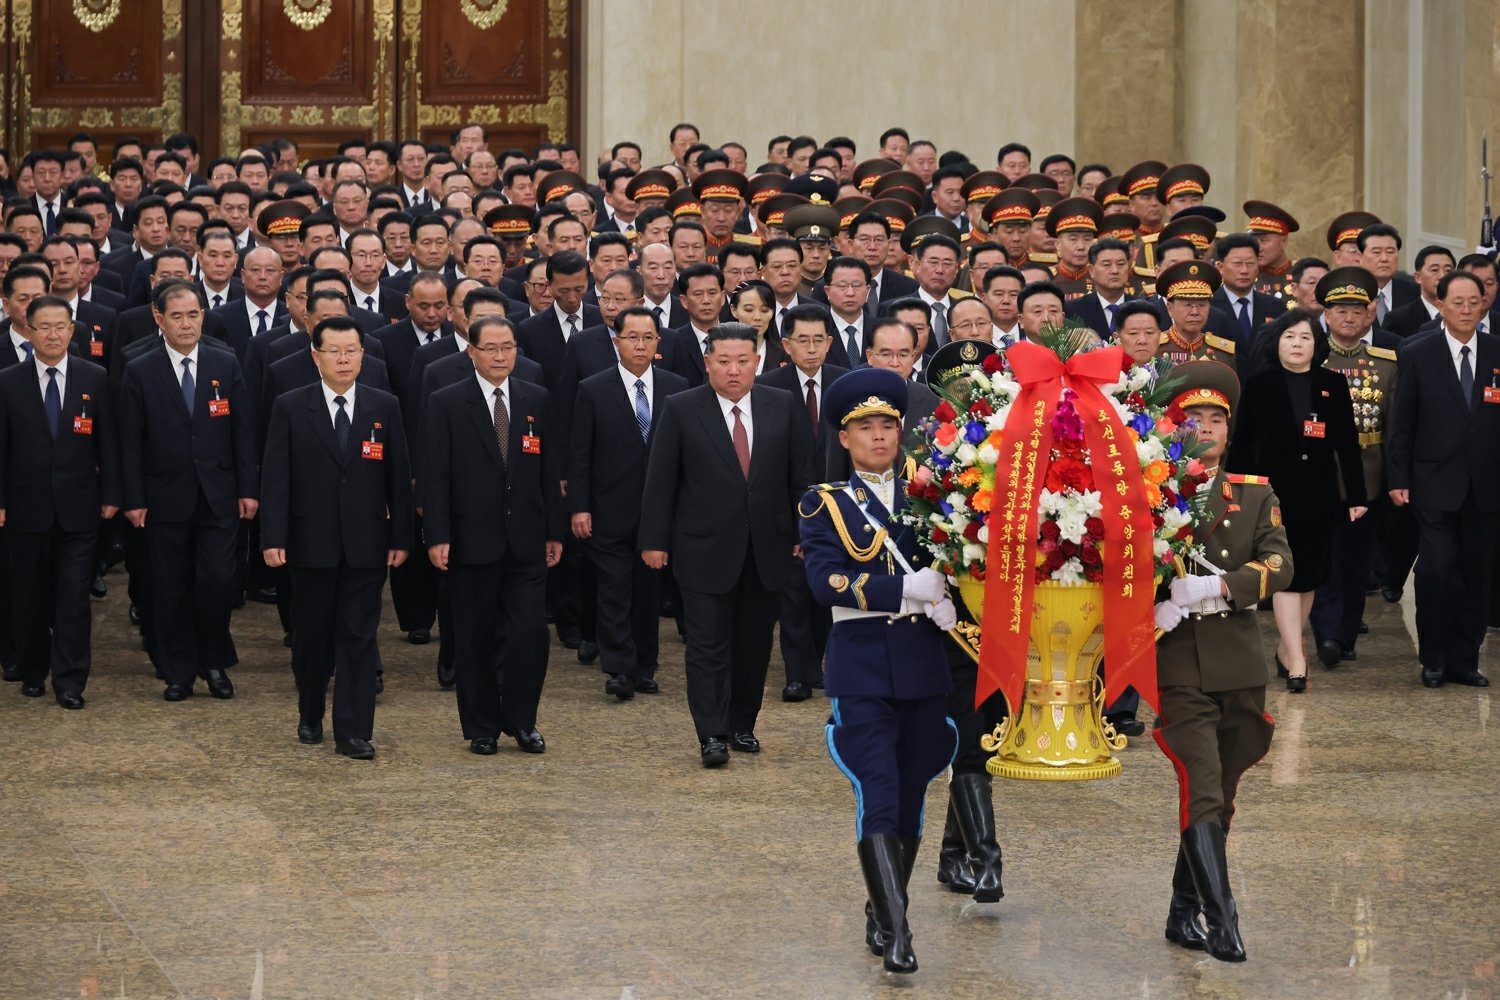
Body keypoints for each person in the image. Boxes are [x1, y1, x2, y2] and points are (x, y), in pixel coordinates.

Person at [797, 367, 958, 974]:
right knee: (878, 790)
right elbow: (827, 581)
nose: (879, 436)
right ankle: (897, 928)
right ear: (844, 437)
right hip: (861, 662)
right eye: (865, 427)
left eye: (888, 425)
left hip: (922, 664)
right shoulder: (825, 502)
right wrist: (907, 590)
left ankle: (883, 904)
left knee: (914, 788)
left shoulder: (936, 497)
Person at [1151, 359, 1292, 963]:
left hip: (1239, 661)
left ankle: (1182, 911)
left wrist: (1216, 587)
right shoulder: (1147, 493)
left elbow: (1282, 564)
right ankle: (1223, 918)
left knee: (1223, 793)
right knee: (1201, 787)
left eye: (1216, 419)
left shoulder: (1255, 494)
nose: (1205, 429)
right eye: (1193, 419)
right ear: (1173, 426)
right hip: (1176, 658)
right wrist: (1153, 604)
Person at [639, 323, 814, 765]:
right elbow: (661, 481)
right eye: (723, 362)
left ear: (757, 362)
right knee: (707, 645)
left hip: (768, 548)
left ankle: (742, 724)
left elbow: (802, 476)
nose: (733, 371)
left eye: (742, 361)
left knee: (754, 645)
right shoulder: (681, 408)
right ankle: (711, 734)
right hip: (702, 549)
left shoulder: (782, 404)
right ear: (708, 363)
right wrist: (654, 540)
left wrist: (803, 533)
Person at [260, 316, 413, 759]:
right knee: (312, 635)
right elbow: (275, 477)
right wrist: (274, 535)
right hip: (310, 543)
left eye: (352, 351)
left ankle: (353, 730)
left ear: (364, 355)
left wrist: (400, 536)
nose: (344, 359)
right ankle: (310, 712)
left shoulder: (383, 406)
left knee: (359, 637)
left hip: (366, 544)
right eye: (335, 351)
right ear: (316, 356)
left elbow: (397, 478)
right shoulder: (291, 405)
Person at [422, 316, 564, 754]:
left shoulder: (536, 398)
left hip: (526, 539)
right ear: (472, 352)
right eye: (491, 348)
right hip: (470, 539)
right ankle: (481, 725)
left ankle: (522, 720)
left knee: (529, 636)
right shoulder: (447, 402)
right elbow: (436, 474)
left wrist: (554, 530)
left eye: (508, 347)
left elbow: (548, 472)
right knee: (474, 636)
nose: (501, 356)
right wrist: (437, 535)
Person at [120, 280, 258, 701]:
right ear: (158, 319)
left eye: (193, 314)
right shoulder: (138, 368)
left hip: (219, 494)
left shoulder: (225, 362)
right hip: (164, 497)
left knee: (218, 581)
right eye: (176, 316)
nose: (186, 323)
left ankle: (213, 661)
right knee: (171, 585)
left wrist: (248, 489)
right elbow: (129, 441)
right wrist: (134, 498)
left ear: (204, 316)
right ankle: (178, 670)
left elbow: (242, 432)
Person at [1228, 308, 1365, 692]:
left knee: (1309, 577)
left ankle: (1285, 651)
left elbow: (1348, 447)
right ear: (1277, 343)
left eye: (1305, 337)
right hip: (1274, 495)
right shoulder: (1259, 385)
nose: (1297, 344)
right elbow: (1242, 445)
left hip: (1320, 495)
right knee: (1285, 576)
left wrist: (1356, 496)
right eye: (1289, 337)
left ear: (1316, 344)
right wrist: (1237, 493)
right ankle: (1299, 657)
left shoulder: (1332, 384)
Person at [0, 294, 119, 708]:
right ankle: (32, 668)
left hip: (80, 508)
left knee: (73, 598)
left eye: (60, 327)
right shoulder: (7, 381)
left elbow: (110, 445)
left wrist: (112, 496)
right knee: (29, 595)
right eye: (43, 327)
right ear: (28, 332)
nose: (52, 334)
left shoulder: (95, 378)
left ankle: (70, 681)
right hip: (25, 507)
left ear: (72, 331)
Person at [1386, 270, 1500, 689]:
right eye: (1458, 302)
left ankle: (1464, 660)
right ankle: (1433, 657)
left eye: (1475, 301)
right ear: (1441, 304)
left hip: (1487, 486)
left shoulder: (1496, 351)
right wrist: (1398, 477)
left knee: (1476, 572)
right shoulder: (1417, 352)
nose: (1467, 309)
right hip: (1432, 481)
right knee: (1436, 570)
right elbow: (1403, 423)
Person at [568, 306, 688, 700]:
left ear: (658, 342)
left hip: (657, 511)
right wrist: (580, 506)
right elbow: (580, 453)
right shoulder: (593, 387)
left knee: (647, 591)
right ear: (616, 342)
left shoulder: (676, 386)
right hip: (607, 508)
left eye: (648, 337)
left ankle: (645, 666)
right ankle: (618, 668)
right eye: (631, 337)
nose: (640, 344)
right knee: (614, 589)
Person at [757, 303, 849, 700]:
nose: (811, 348)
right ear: (786, 345)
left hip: (838, 506)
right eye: (802, 341)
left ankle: (821, 666)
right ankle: (796, 672)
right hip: (787, 505)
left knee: (828, 591)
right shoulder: (766, 386)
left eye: (818, 340)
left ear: (830, 343)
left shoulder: (846, 384)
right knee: (793, 594)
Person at [1308, 268, 1399, 666]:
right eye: (1339, 310)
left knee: (1356, 560)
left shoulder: (1386, 363)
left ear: (1369, 316)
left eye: (1356, 311)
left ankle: (1346, 635)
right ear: (1326, 315)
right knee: (1321, 556)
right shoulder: (1310, 357)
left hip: (1368, 474)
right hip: (1319, 473)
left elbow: (1396, 426)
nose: (1348, 318)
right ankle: (1326, 634)